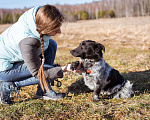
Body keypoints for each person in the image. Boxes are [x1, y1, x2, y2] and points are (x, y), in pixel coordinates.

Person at [0, 4, 81, 105]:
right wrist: (64, 69)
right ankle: (9, 85)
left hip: (17, 56)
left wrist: (53, 69)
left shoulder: (38, 17)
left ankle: (43, 91)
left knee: (51, 44)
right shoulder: (27, 41)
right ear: (46, 28)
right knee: (47, 70)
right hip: (4, 69)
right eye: (56, 29)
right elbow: (38, 73)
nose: (59, 32)